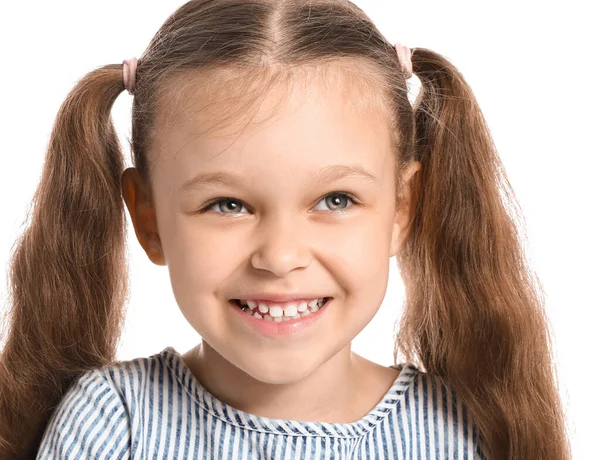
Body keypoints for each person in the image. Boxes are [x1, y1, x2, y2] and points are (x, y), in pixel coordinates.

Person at [0, 1, 571, 459]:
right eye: (227, 204)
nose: (280, 256)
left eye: (336, 199)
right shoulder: (113, 427)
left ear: (402, 208)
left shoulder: (460, 435)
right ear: (149, 220)